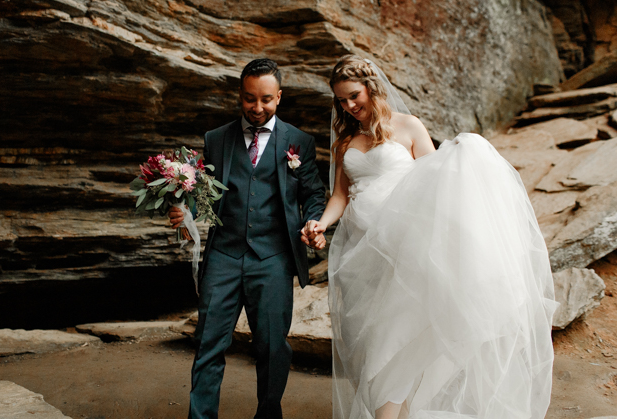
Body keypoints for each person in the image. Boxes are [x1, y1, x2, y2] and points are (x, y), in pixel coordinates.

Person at [302, 55, 557, 419]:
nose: (349, 106)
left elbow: (437, 183)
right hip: (362, 255)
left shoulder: (408, 127)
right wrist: (321, 223)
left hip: (404, 252)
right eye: (341, 100)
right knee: (367, 340)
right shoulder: (346, 142)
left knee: (391, 341)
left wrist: (465, 155)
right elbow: (341, 195)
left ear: (372, 89)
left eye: (354, 96)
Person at [170, 58, 326, 419]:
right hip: (223, 255)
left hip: (273, 258)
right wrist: (186, 211)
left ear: (279, 98)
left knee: (272, 347)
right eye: (249, 99)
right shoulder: (217, 139)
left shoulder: (299, 142)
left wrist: (314, 221)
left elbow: (314, 194)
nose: (257, 108)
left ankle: (268, 413)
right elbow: (202, 193)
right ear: (239, 95)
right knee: (208, 343)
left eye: (266, 100)